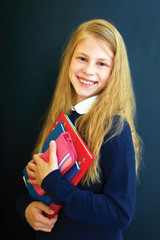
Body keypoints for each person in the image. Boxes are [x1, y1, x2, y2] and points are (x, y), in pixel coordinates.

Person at [17, 19, 141, 240]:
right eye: (82, 58)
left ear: (114, 72)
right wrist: (26, 208)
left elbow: (120, 214)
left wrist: (53, 183)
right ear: (69, 60)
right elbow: (38, 182)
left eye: (101, 64)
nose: (88, 70)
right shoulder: (62, 117)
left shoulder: (114, 129)